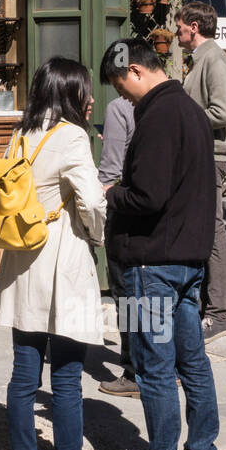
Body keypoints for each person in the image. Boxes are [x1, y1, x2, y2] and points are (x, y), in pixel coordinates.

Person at [100, 38, 221, 450]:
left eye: (121, 86)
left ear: (135, 70)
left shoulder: (156, 115)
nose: (123, 97)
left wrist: (111, 193)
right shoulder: (191, 110)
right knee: (193, 363)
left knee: (153, 367)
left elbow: (147, 196)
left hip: (149, 264)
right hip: (188, 260)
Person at [0, 58, 107, 450]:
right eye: (84, 89)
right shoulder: (72, 136)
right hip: (63, 261)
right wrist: (97, 235)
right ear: (69, 92)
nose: (91, 98)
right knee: (67, 381)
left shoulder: (19, 134)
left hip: (22, 261)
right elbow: (92, 201)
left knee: (24, 377)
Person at [175, 1, 226, 343]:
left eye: (180, 27)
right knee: (206, 229)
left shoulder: (214, 59)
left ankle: (218, 314)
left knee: (212, 230)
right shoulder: (204, 59)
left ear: (194, 27)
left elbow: (223, 112)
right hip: (203, 154)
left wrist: (184, 119)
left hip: (210, 156)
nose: (177, 33)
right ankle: (209, 310)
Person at [97, 93, 138, 397]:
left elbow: (111, 169)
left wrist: (104, 196)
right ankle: (166, 366)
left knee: (126, 290)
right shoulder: (177, 103)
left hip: (126, 207)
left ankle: (135, 369)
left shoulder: (119, 107)